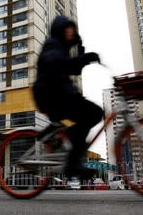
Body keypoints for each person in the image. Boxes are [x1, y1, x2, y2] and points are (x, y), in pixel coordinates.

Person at [33, 15, 104, 179]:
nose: (72, 31)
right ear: (60, 30)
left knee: (89, 116)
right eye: (68, 29)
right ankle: (73, 164)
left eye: (73, 29)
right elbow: (57, 62)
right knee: (91, 114)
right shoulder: (52, 45)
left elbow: (74, 68)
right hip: (51, 95)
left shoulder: (62, 48)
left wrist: (81, 50)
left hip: (60, 95)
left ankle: (56, 133)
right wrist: (85, 57)